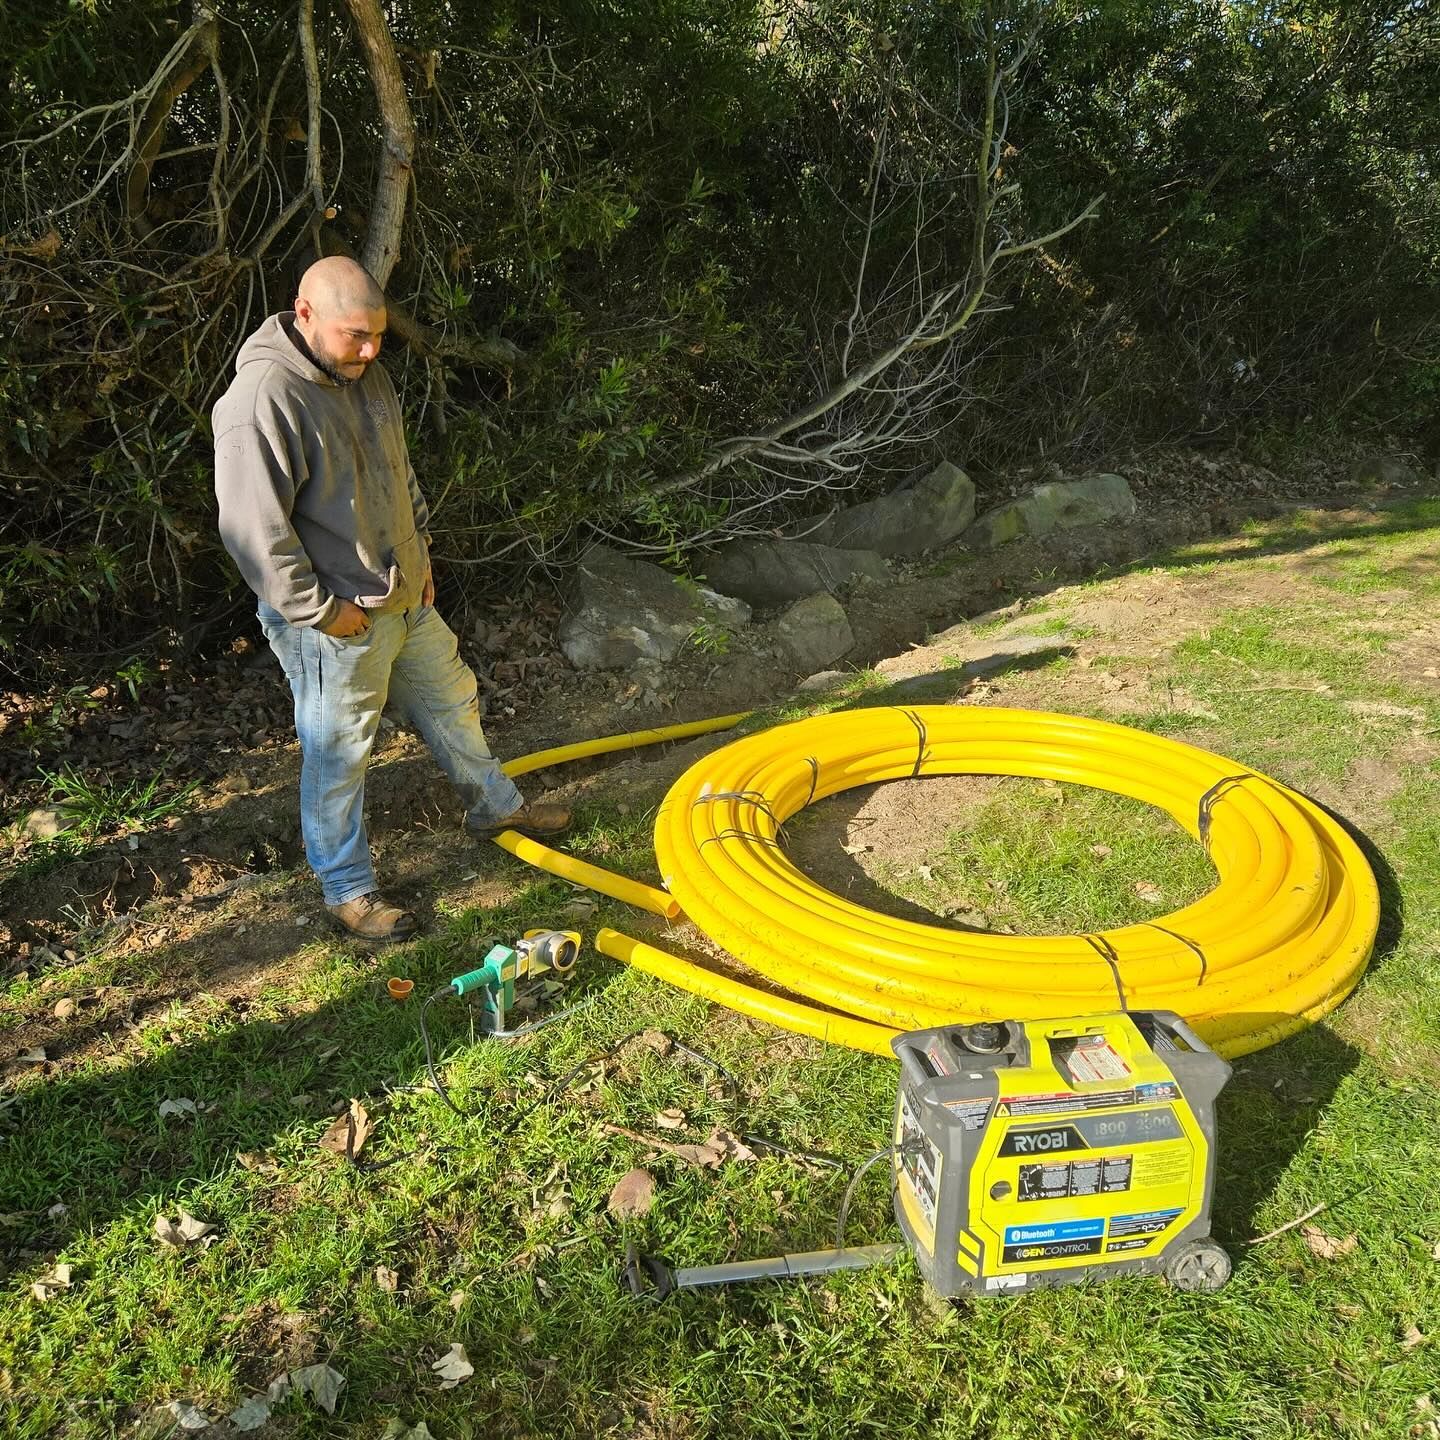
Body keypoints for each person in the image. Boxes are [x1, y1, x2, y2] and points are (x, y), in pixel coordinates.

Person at [212, 256, 569, 943]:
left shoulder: (364, 374)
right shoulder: (262, 400)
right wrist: (322, 612)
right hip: (335, 621)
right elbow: (254, 529)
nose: (372, 351)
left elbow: (399, 474)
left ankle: (496, 809)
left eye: (378, 336)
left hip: (402, 593)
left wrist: (420, 553)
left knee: (453, 699)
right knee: (340, 751)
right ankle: (347, 893)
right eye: (356, 336)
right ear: (305, 313)